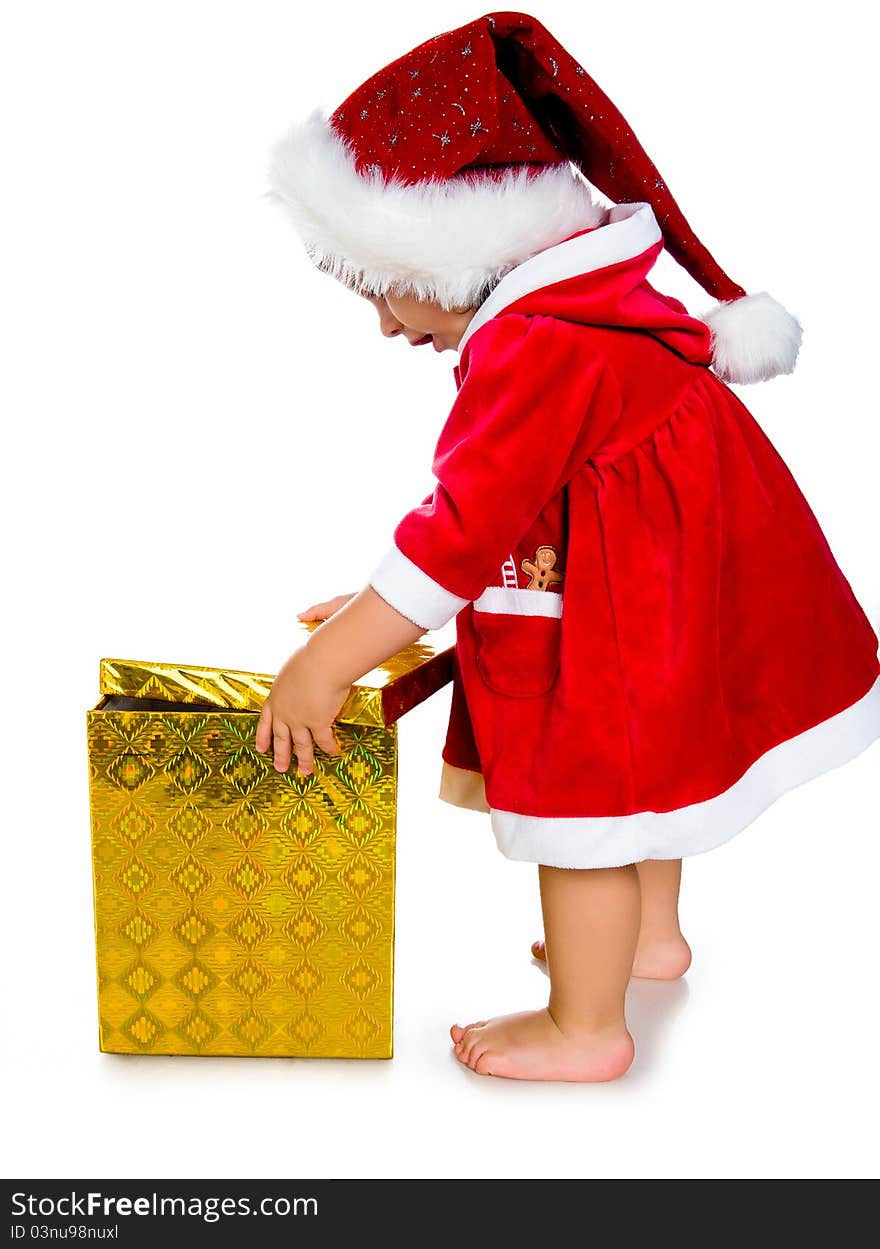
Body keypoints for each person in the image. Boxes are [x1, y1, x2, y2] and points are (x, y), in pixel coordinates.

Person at [257, 11, 880, 1081]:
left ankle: (585, 1027)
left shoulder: (537, 346)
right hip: (672, 582)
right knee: (661, 757)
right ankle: (645, 940)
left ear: (446, 241)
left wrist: (335, 658)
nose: (385, 327)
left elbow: (463, 529)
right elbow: (507, 497)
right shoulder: (585, 312)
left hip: (628, 603)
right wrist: (376, 602)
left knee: (585, 797)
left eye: (379, 286)